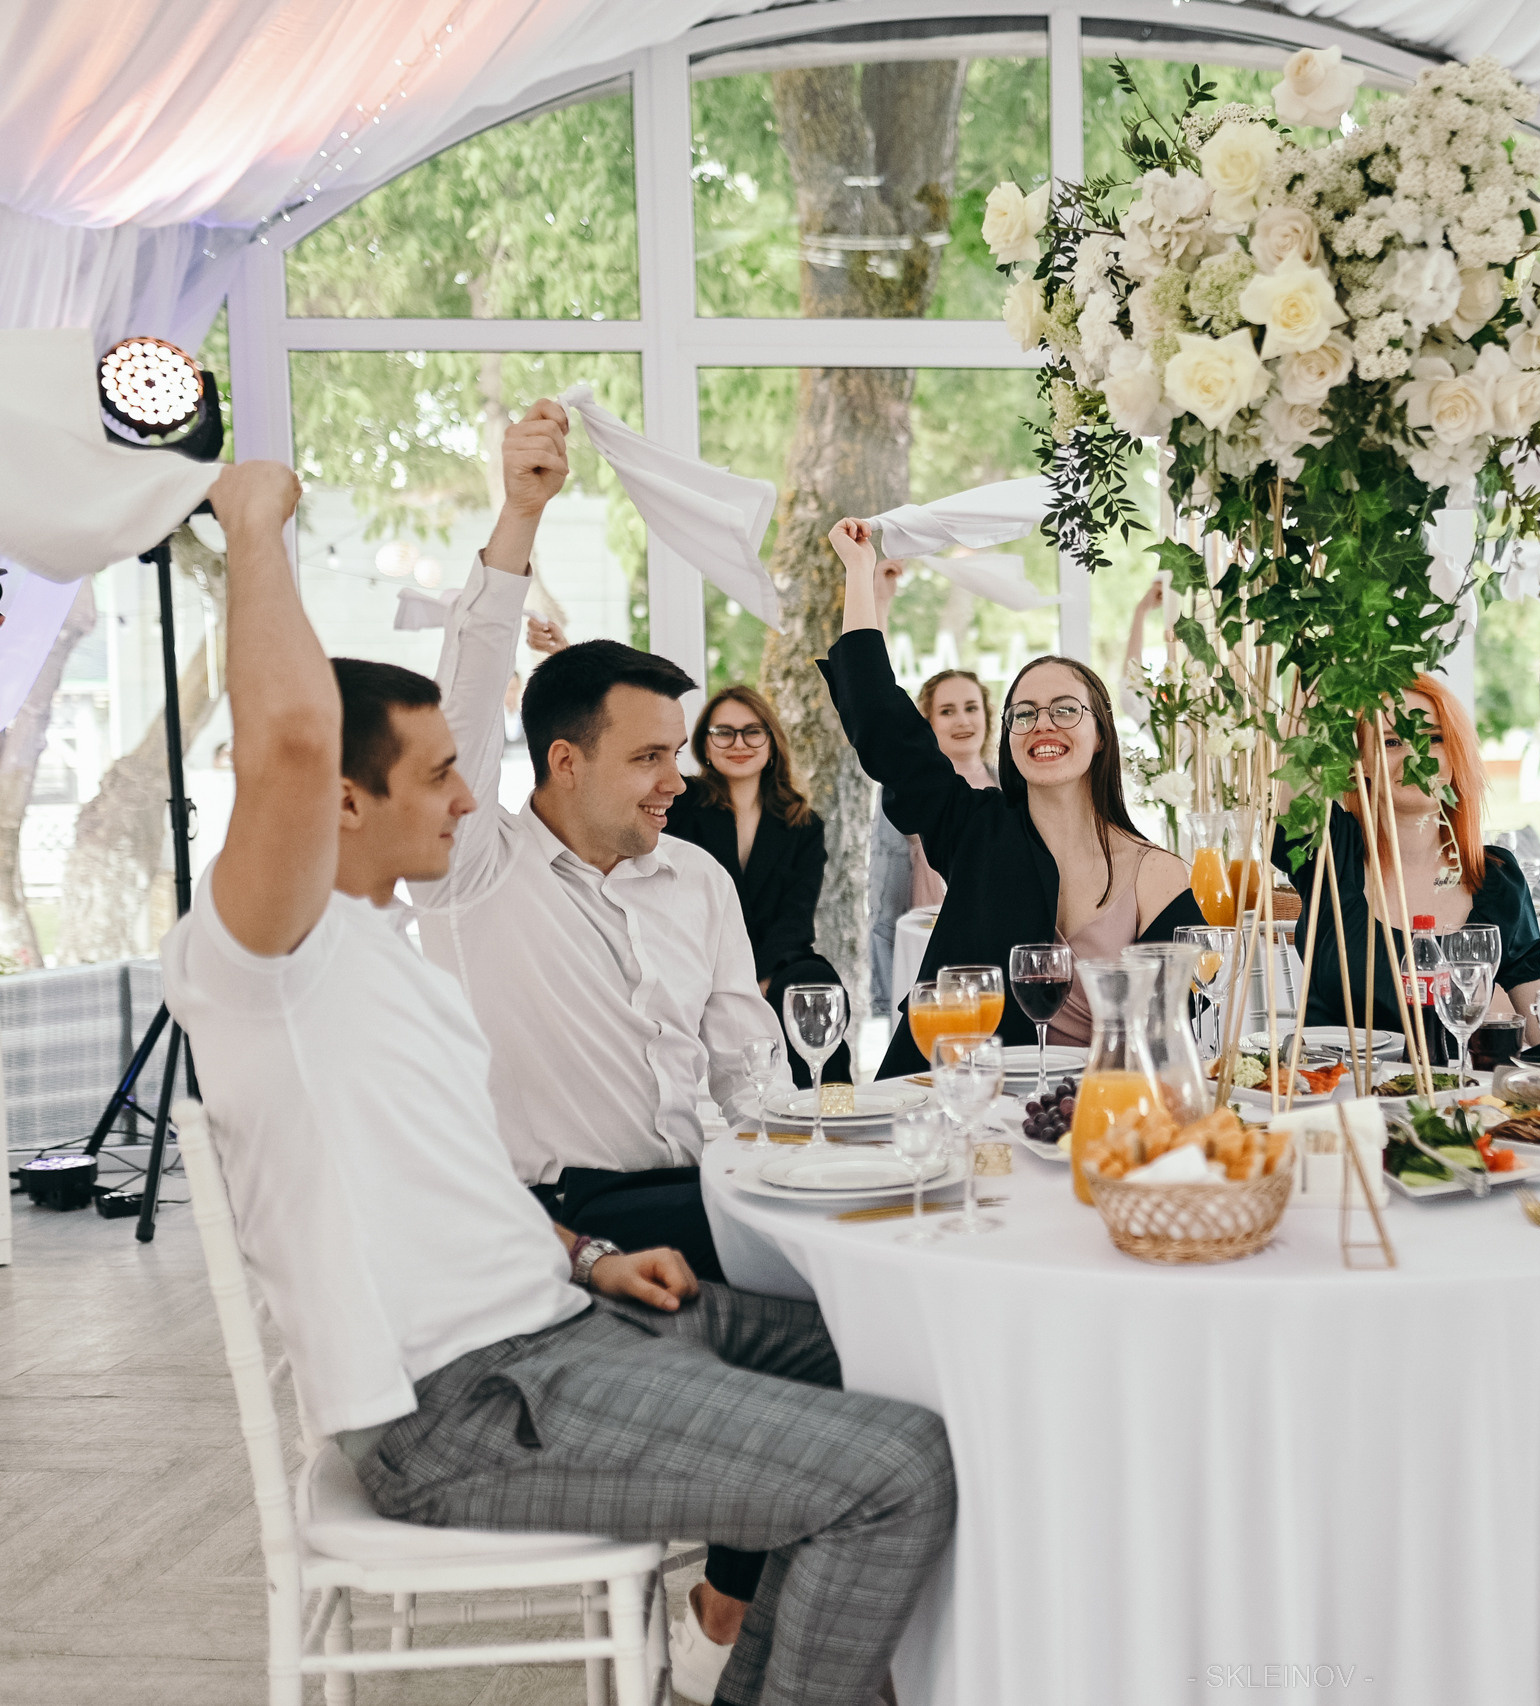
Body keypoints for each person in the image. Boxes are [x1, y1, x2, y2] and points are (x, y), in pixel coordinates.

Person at [160, 455, 953, 1706]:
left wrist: (580, 1257)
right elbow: (294, 742)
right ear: (341, 801)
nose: (468, 794)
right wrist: (251, 525)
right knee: (898, 1466)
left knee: (883, 1351)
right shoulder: (268, 963)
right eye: (439, 775)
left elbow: (441, 1176)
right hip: (467, 1405)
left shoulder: (382, 949)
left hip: (564, 1315)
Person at [408, 400, 780, 1289]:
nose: (677, 780)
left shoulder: (698, 878)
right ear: (564, 761)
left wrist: (799, 1164)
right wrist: (521, 512)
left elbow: (746, 1071)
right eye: (649, 757)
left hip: (698, 1192)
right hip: (562, 1214)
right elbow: (466, 697)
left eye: (676, 754)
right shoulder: (472, 870)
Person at [822, 518, 1206, 1077]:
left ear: (1101, 733)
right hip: (948, 1093)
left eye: (1065, 710)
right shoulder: (973, 829)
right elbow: (881, 724)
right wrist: (859, 574)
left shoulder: (1159, 874)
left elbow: (1177, 1036)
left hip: (1088, 1111)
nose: (1042, 724)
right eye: (1023, 714)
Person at [1276, 674, 1540, 1040]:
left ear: (1455, 753)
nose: (1416, 758)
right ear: (1360, 762)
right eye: (1392, 742)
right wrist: (1323, 671)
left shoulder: (1496, 879)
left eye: (1433, 739)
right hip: (1333, 1075)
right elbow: (1294, 760)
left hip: (1452, 1078)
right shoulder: (1331, 852)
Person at [664, 685, 852, 1087]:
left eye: (752, 732)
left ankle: (830, 1106)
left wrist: (756, 979)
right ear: (705, 744)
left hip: (775, 959)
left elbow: (796, 918)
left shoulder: (803, 824)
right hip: (698, 954)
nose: (739, 744)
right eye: (724, 732)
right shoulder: (680, 806)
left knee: (813, 987)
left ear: (771, 743)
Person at [865, 667, 996, 1015]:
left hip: (998, 961)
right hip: (930, 961)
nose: (962, 720)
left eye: (971, 707)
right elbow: (885, 899)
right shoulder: (907, 794)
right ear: (929, 723)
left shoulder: (1013, 789)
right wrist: (887, 991)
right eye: (947, 711)